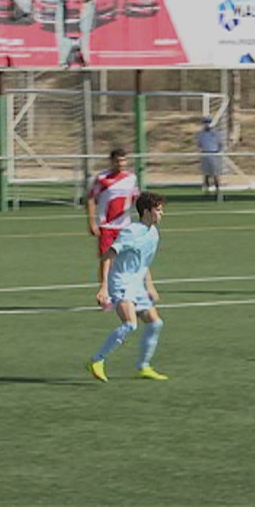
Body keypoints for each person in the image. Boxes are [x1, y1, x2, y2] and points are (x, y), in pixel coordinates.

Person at [86, 192, 169, 382]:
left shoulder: (154, 234)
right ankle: (97, 360)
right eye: (158, 210)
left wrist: (150, 286)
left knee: (155, 323)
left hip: (137, 285)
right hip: (121, 282)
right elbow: (107, 257)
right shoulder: (130, 232)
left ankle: (144, 366)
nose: (161, 213)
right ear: (146, 212)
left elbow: (144, 263)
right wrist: (104, 287)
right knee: (130, 324)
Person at [87, 149, 139, 310]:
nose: (121, 164)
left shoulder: (131, 178)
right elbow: (91, 199)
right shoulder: (102, 178)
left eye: (123, 160)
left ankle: (127, 292)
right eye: (118, 161)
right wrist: (91, 222)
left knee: (127, 260)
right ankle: (104, 293)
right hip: (106, 226)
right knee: (106, 260)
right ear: (111, 161)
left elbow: (135, 198)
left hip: (125, 226)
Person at [197, 117, 224, 198]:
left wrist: (217, 152)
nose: (206, 124)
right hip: (205, 154)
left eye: (208, 122)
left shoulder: (215, 133)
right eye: (205, 122)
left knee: (215, 174)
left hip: (214, 154)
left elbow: (220, 144)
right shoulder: (201, 134)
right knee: (206, 174)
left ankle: (217, 190)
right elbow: (199, 144)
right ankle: (207, 190)